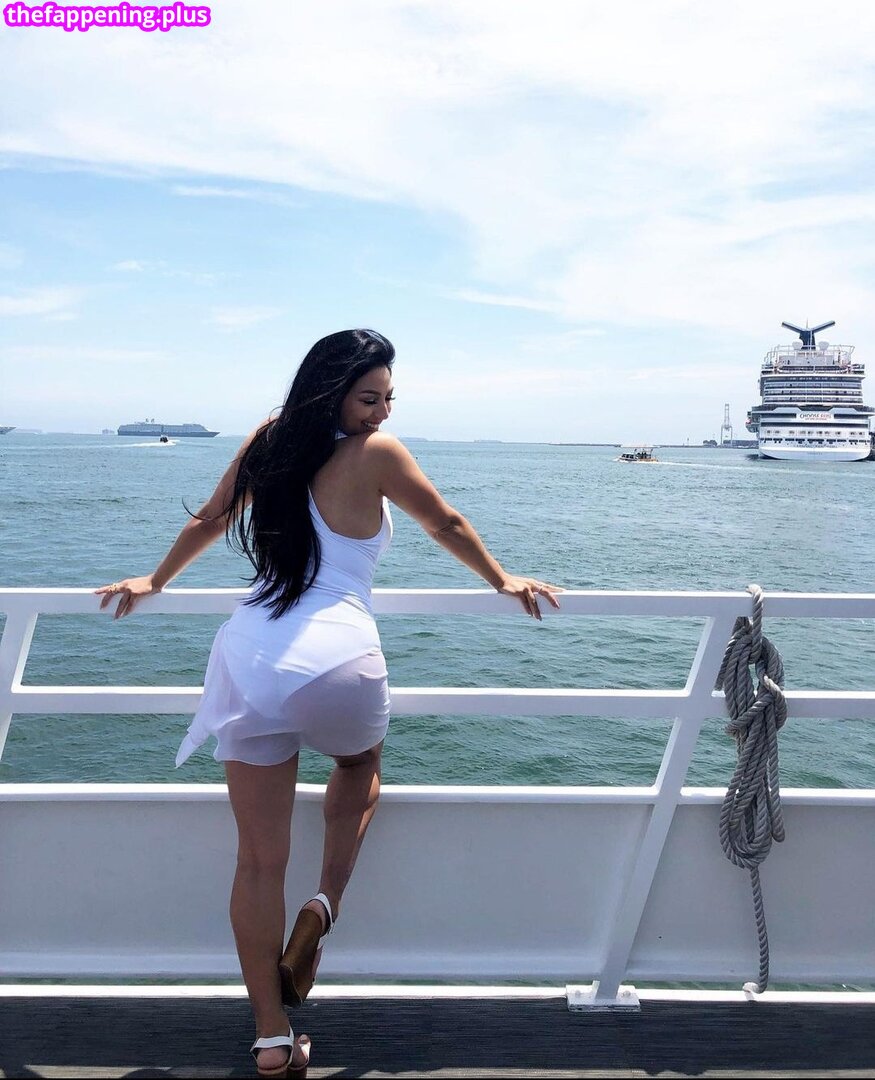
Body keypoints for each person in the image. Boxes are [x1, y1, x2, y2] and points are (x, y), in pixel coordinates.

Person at [96, 329, 561, 1077]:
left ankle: (271, 1038)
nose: (381, 413)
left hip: (249, 656)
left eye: (387, 400)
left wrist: (154, 581)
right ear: (333, 390)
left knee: (257, 862)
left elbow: (212, 518)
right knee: (358, 764)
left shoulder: (270, 440)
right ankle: (323, 905)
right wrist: (502, 579)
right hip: (336, 657)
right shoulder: (378, 455)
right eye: (369, 398)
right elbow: (443, 522)